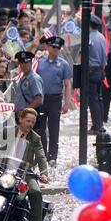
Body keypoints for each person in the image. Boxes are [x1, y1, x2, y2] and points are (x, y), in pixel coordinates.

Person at [36, 36, 72, 167]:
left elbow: (67, 84)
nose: (55, 49)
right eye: (53, 47)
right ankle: (43, 154)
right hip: (41, 99)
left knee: (54, 128)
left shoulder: (63, 64)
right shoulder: (39, 62)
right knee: (40, 128)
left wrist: (67, 103)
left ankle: (52, 156)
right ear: (48, 47)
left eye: (58, 48)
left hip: (55, 99)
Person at [87, 14, 107, 135]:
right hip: (100, 70)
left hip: (91, 71)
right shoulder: (101, 37)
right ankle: (100, 124)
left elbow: (84, 54)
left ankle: (97, 126)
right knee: (99, 99)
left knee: (93, 100)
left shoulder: (89, 38)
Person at [13, 51, 44, 116]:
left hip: (30, 115)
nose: (23, 65)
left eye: (26, 63)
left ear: (31, 62)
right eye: (21, 63)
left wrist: (25, 111)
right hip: (22, 115)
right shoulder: (24, 77)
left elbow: (38, 100)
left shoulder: (34, 78)